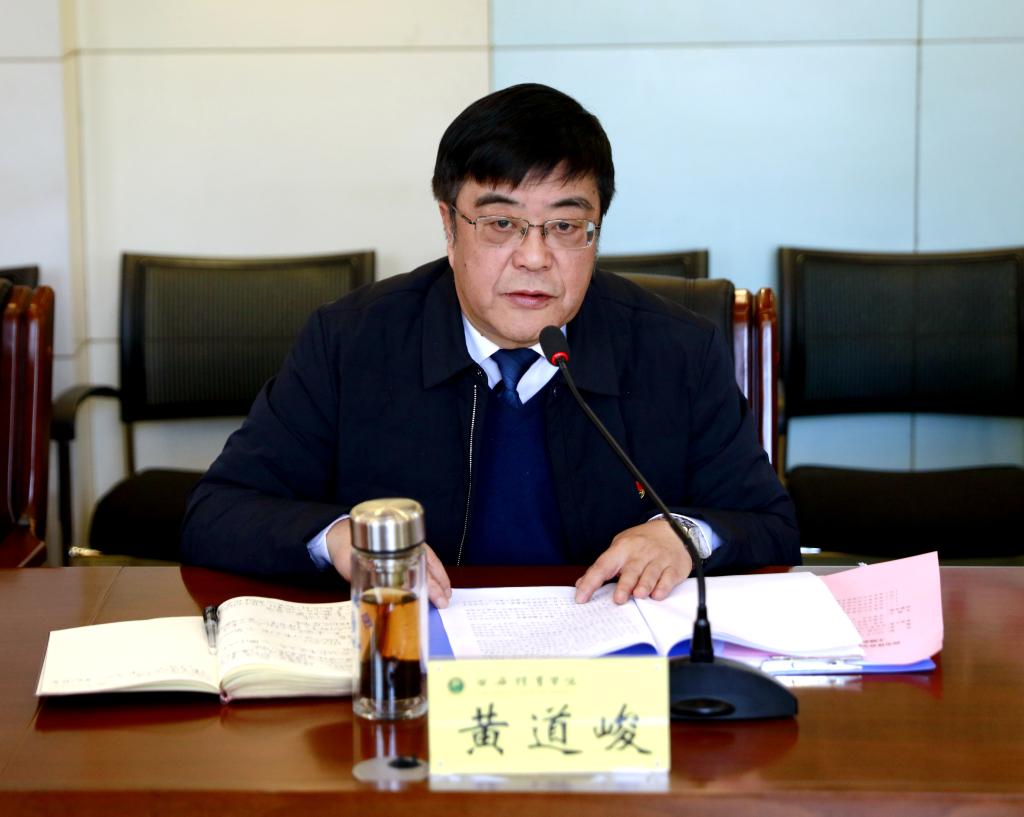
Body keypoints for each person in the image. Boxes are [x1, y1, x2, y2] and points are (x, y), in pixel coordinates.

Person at [181, 83, 799, 607]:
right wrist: (343, 537)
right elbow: (218, 511)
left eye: (565, 226)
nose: (534, 257)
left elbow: (769, 523)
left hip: (612, 662)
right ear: (449, 227)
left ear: (596, 232)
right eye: (502, 223)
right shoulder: (351, 341)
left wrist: (683, 535)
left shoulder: (677, 348)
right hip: (417, 657)